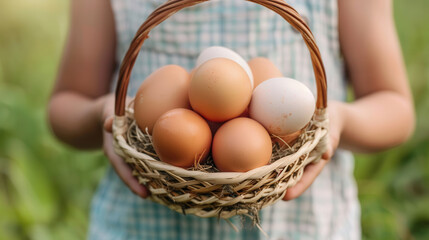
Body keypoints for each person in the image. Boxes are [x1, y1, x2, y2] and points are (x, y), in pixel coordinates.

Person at [48, 0, 415, 239]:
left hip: (305, 228)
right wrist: (102, 117)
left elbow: (395, 108)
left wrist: (341, 119)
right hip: (142, 228)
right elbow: (65, 106)